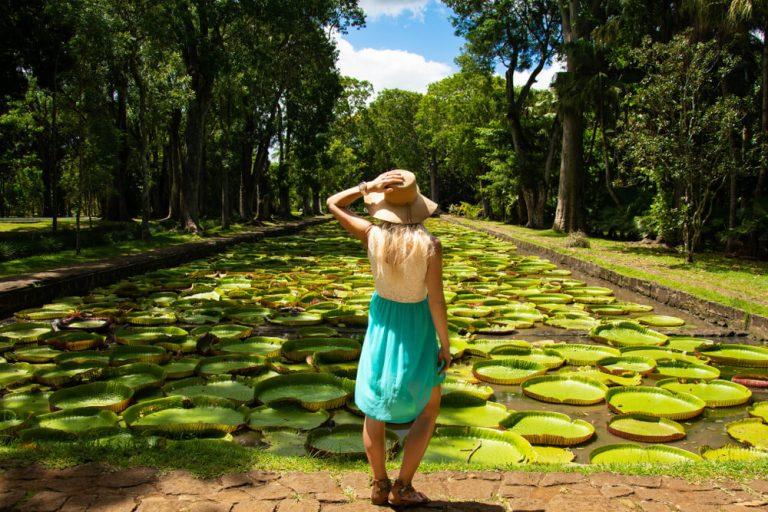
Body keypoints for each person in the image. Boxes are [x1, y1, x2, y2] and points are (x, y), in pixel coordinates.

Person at [326, 169, 452, 507]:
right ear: (417, 205)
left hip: (382, 325)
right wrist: (446, 344)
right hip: (418, 327)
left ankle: (380, 486)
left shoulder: (371, 235)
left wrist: (365, 187)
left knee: (374, 410)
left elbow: (333, 203)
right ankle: (404, 487)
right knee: (428, 408)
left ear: (384, 204)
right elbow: (437, 301)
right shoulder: (431, 246)